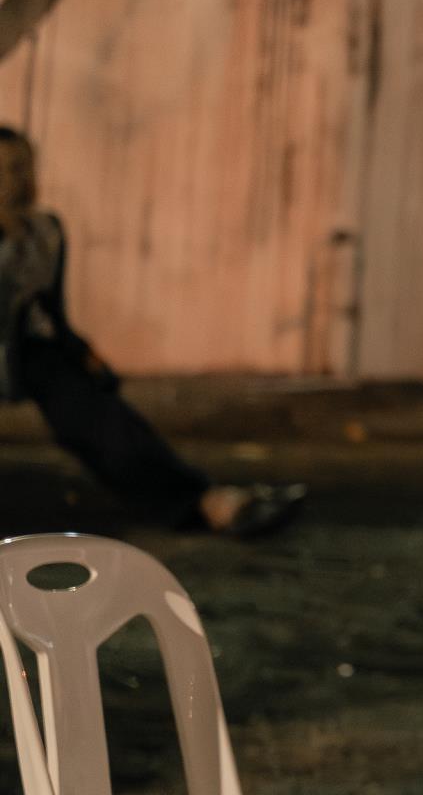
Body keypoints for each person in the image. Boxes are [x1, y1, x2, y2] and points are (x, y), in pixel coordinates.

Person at [0, 128, 301, 535]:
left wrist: (85, 357)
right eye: (6, 169)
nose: (13, 179)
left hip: (27, 350)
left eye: (18, 167)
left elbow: (52, 311)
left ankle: (206, 502)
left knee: (100, 417)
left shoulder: (45, 232)